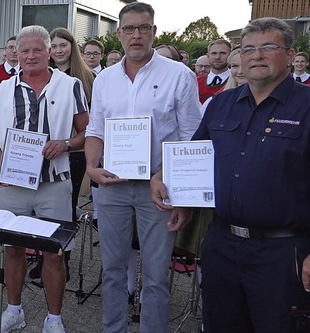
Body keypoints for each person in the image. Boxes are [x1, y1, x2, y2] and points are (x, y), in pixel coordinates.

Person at [152, 17, 310, 333]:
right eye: (249, 49)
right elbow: (194, 157)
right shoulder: (222, 104)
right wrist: (165, 178)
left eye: (268, 47)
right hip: (222, 245)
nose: (257, 56)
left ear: (290, 56)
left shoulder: (306, 107)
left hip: (283, 253)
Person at [84, 3, 201, 332]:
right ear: (118, 33)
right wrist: (92, 167)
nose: (137, 34)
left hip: (159, 189)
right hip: (112, 186)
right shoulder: (106, 79)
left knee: (155, 274)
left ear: (154, 31)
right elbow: (95, 129)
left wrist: (182, 196)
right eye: (130, 28)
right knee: (111, 270)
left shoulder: (178, 75)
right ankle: (114, 328)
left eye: (144, 28)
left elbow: (191, 137)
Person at [0, 25, 89, 333]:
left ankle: (54, 318)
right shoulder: (3, 89)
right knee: (13, 250)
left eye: (37, 50)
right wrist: (3, 160)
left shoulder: (70, 86)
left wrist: (66, 144)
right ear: (15, 53)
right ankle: (14, 311)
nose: (30, 56)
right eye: (23, 50)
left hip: (55, 182)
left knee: (53, 253)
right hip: (14, 185)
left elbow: (87, 132)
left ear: (49, 51)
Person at [47, 27, 94, 281]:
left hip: (73, 153)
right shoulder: (44, 76)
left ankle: (62, 259)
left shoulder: (85, 78)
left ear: (72, 47)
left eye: (63, 45)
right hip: (46, 153)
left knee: (68, 207)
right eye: (53, 46)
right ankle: (46, 256)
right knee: (44, 207)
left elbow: (90, 123)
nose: (58, 50)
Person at [198, 39, 231, 103]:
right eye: (214, 53)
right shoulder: (196, 82)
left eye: (222, 53)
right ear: (208, 56)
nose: (217, 57)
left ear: (230, 55)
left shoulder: (237, 81)